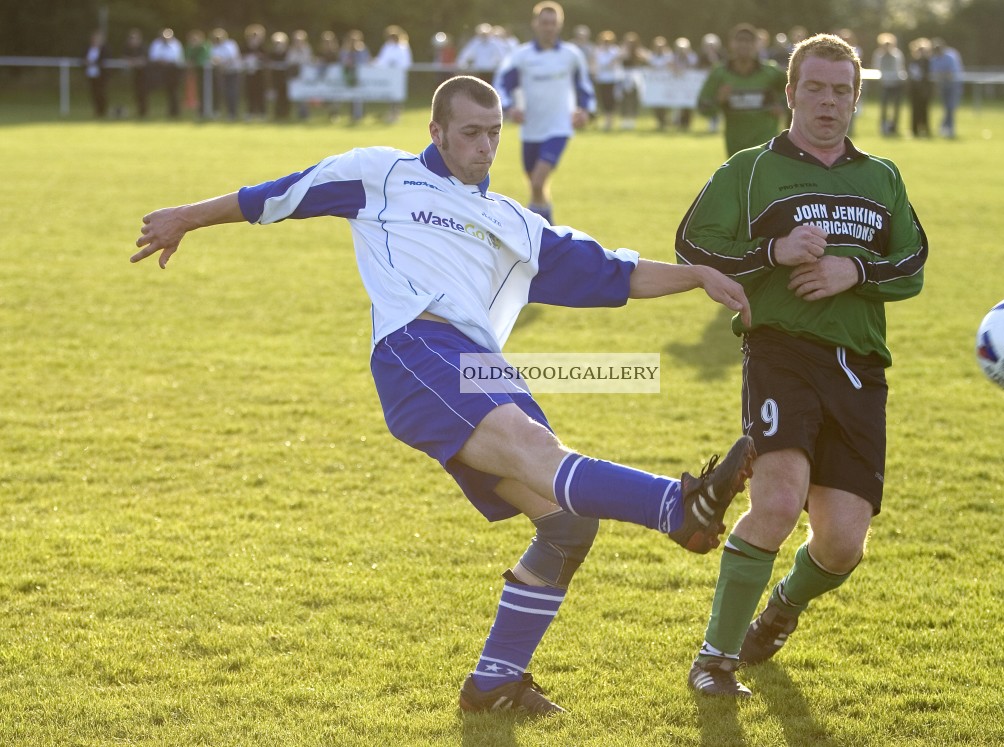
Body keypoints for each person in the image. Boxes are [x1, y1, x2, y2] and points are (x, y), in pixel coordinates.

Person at [131, 74, 755, 716]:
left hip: (483, 368)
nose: (484, 146)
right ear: (436, 131)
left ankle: (494, 683)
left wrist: (697, 275)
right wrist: (187, 217)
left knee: (567, 523)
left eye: (493, 134)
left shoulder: (513, 220)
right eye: (470, 133)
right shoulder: (382, 174)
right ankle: (678, 508)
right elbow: (275, 196)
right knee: (539, 449)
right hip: (416, 351)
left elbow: (611, 270)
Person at [675, 33, 928, 697]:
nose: (827, 102)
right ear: (789, 94)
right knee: (780, 498)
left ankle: (783, 605)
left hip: (860, 367)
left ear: (855, 99)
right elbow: (691, 245)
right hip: (780, 351)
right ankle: (715, 659)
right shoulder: (750, 170)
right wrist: (774, 251)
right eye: (814, 88)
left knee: (843, 542)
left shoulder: (883, 178)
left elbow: (913, 263)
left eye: (841, 91)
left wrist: (854, 269)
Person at [494, 2, 595, 225]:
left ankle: (533, 229)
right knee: (535, 186)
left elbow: (584, 85)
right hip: (530, 129)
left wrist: (585, 110)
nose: (548, 27)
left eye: (553, 23)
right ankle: (548, 228)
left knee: (538, 182)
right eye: (544, 22)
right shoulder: (522, 55)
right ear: (535, 24)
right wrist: (510, 107)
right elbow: (501, 84)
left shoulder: (571, 54)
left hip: (559, 128)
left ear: (559, 25)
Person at [695, 23, 786, 157]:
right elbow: (703, 106)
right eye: (739, 40)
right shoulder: (720, 73)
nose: (744, 44)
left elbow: (796, 94)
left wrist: (783, 107)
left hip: (766, 143)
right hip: (735, 145)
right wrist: (718, 100)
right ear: (731, 44)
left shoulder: (771, 72)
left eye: (749, 41)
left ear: (757, 44)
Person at [374, 25, 413, 123]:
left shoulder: (403, 47)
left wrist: (396, 65)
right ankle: (390, 113)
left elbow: (407, 62)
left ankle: (396, 114)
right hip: (388, 75)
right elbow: (382, 60)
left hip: (399, 75)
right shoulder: (387, 46)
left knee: (397, 95)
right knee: (390, 95)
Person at [870, 32, 906, 136]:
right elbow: (876, 67)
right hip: (884, 84)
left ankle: (894, 127)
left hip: (896, 83)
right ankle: (883, 127)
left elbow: (900, 68)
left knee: (895, 107)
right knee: (884, 106)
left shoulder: (897, 54)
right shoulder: (878, 54)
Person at [929, 38, 963, 138]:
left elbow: (951, 73)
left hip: (953, 85)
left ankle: (948, 128)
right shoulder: (934, 58)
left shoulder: (951, 56)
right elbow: (934, 72)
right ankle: (945, 127)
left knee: (951, 106)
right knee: (946, 107)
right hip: (942, 85)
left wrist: (942, 75)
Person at [148, 28, 185, 118]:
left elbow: (178, 58)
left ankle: (175, 112)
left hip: (173, 70)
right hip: (158, 69)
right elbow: (153, 56)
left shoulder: (176, 44)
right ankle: (148, 111)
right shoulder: (156, 44)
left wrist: (167, 61)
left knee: (173, 91)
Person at [592, 30, 623, 131]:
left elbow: (615, 64)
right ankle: (605, 121)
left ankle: (610, 121)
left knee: (611, 100)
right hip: (601, 79)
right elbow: (598, 64)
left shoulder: (615, 51)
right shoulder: (598, 51)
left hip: (612, 79)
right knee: (603, 100)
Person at [210, 28, 242, 120]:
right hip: (221, 72)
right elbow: (213, 59)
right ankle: (219, 111)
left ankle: (232, 113)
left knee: (232, 92)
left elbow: (232, 57)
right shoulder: (214, 46)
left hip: (233, 72)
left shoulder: (230, 44)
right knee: (220, 92)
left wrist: (222, 64)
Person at [907, 37, 933, 138]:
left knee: (924, 110)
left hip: (924, 89)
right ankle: (914, 130)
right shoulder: (912, 61)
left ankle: (926, 130)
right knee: (914, 110)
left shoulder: (928, 61)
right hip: (914, 90)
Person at [243, 24, 268, 120]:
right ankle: (250, 112)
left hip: (260, 73)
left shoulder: (262, 47)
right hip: (249, 73)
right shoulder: (245, 47)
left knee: (260, 93)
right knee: (250, 93)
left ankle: (262, 113)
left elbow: (266, 58)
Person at [84, 30, 110, 119]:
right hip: (91, 74)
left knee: (101, 92)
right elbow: (82, 58)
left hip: (100, 75)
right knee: (93, 93)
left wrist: (93, 62)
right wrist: (86, 62)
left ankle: (103, 110)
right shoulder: (88, 48)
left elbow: (103, 61)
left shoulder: (104, 49)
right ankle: (96, 110)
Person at [123, 28, 149, 119]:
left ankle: (144, 111)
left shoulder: (143, 47)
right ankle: (139, 110)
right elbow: (125, 58)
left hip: (143, 75)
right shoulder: (128, 48)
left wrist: (133, 62)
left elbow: (143, 60)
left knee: (143, 92)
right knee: (136, 93)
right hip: (134, 75)